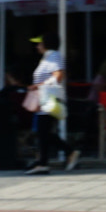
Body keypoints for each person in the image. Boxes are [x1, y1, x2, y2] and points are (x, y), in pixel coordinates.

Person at [25, 32, 73, 174]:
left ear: (46, 43)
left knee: (43, 131)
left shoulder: (54, 56)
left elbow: (58, 76)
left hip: (48, 100)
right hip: (43, 100)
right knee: (43, 132)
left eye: (39, 43)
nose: (37, 46)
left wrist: (38, 85)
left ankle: (69, 152)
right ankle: (43, 163)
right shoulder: (47, 57)